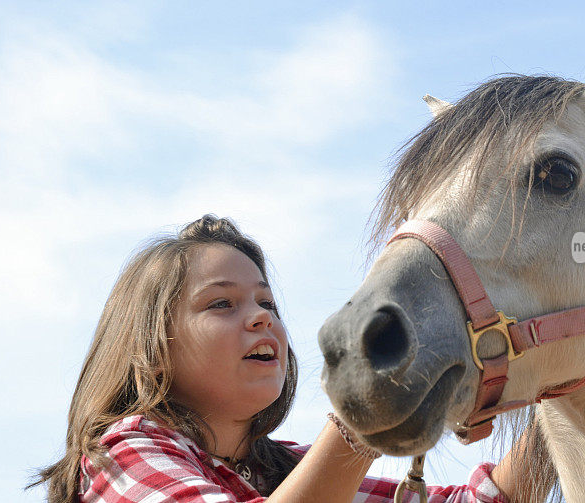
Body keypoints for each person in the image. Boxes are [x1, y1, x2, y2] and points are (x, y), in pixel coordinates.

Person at [31, 215, 524, 502]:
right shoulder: (121, 452)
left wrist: (574, 389)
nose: (261, 318)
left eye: (267, 303)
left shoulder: (283, 468)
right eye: (221, 303)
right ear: (153, 353)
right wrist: (363, 419)